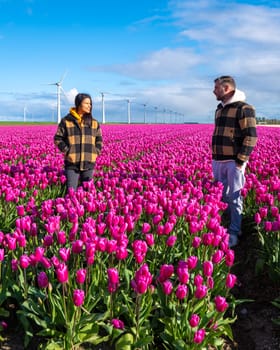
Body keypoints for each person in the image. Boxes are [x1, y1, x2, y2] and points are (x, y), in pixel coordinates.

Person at [212, 76, 257, 248]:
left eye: (216, 87)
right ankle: (219, 227)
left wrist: (240, 160)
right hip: (218, 160)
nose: (213, 91)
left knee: (234, 196)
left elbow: (251, 136)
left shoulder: (244, 108)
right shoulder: (219, 109)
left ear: (227, 88)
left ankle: (234, 231)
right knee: (220, 196)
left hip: (233, 161)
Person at [54, 92, 103, 191]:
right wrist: (68, 152)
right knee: (71, 191)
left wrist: (95, 152)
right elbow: (58, 138)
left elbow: (99, 139)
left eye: (90, 104)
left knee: (88, 193)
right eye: (87, 103)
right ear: (78, 104)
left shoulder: (94, 122)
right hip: (72, 163)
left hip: (89, 162)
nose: (89, 106)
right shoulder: (66, 121)